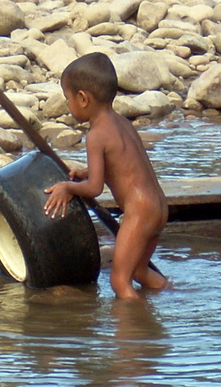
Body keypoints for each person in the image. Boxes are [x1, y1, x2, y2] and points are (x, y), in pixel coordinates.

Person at [43, 53, 169, 300]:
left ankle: (130, 336)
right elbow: (124, 163)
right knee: (140, 271)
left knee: (119, 281)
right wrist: (87, 171)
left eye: (68, 98)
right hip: (158, 207)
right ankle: (176, 297)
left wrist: (68, 187)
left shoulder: (96, 134)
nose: (68, 105)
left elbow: (94, 189)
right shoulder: (121, 122)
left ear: (83, 98)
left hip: (140, 211)